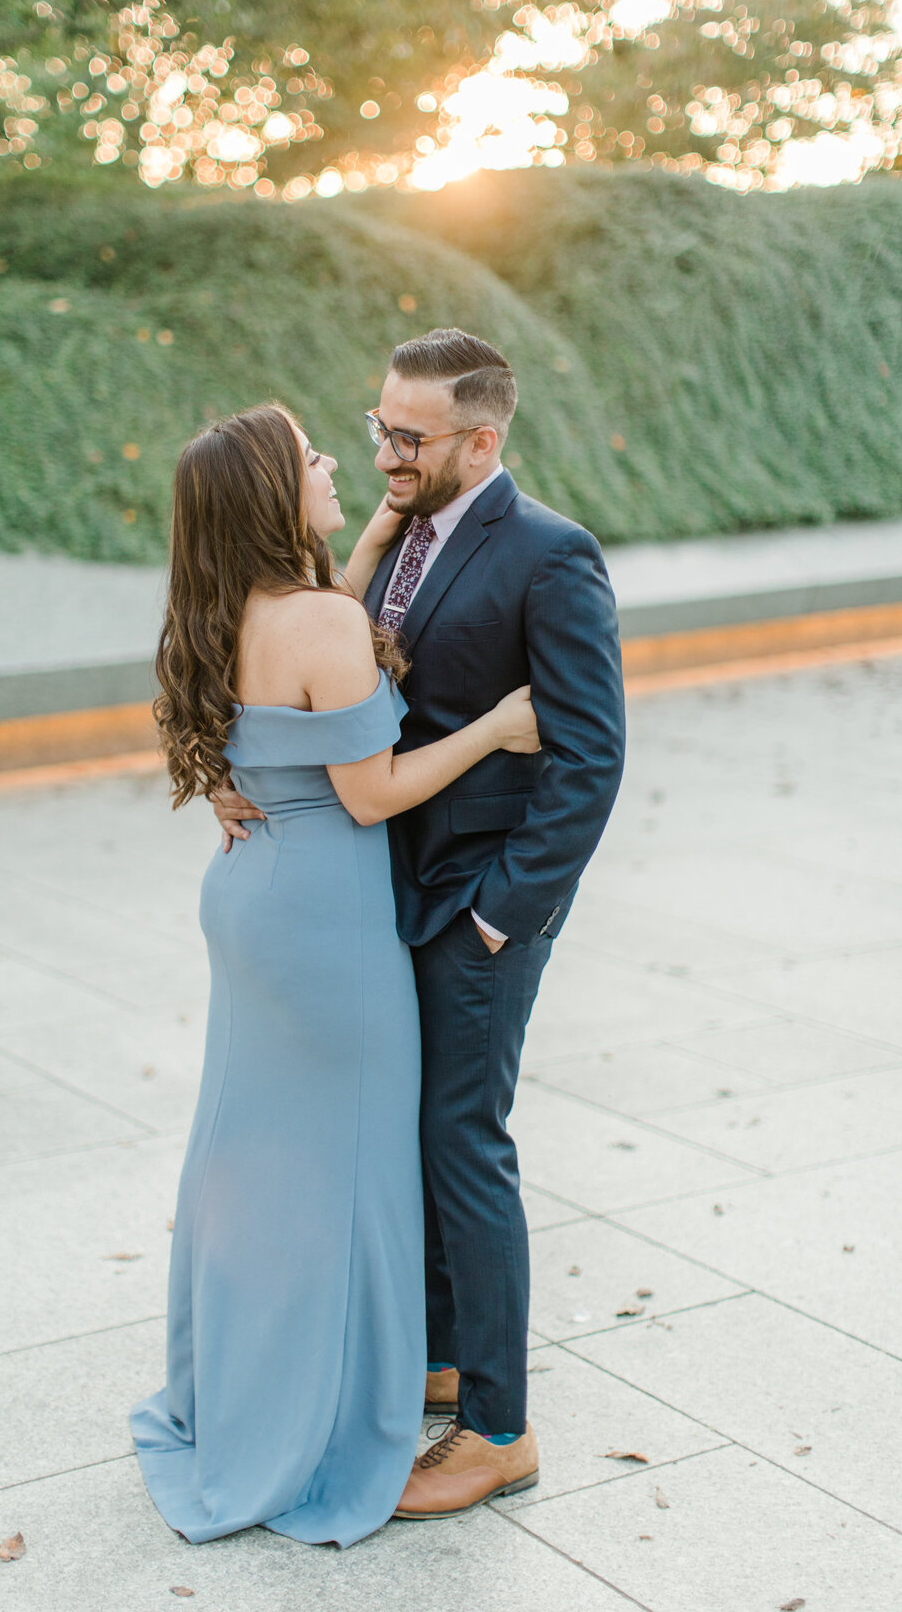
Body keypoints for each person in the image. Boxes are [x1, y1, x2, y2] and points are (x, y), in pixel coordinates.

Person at [215, 331, 626, 1518]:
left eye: (411, 438)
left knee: (463, 1140)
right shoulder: (389, 544)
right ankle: (442, 1355)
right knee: (410, 1134)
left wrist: (503, 919)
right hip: (385, 897)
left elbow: (590, 758)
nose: (385, 454)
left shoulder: (551, 555)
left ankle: (498, 1426)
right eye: (377, 429)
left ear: (481, 440)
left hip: (477, 909)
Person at [130, 402, 540, 1547]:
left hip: (250, 897)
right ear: (272, 495)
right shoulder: (318, 621)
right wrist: (497, 726)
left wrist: (357, 548)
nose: (332, 467)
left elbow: (310, 661)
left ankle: (243, 1389)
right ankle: (334, 1404)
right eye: (312, 457)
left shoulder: (221, 609)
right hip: (326, 921)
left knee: (253, 1156)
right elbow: (375, 791)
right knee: (351, 1167)